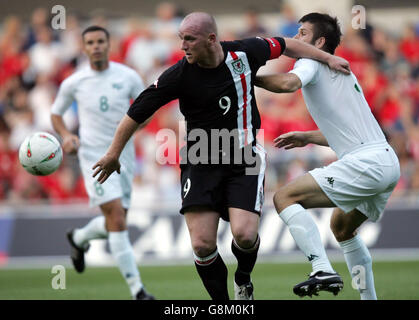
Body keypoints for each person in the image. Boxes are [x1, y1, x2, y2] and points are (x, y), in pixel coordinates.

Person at [92, 12, 350, 300]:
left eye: (189, 39)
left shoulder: (246, 51)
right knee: (202, 244)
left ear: (211, 39)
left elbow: (289, 45)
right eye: (181, 39)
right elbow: (136, 112)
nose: (183, 46)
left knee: (245, 235)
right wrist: (113, 153)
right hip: (201, 158)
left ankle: (243, 279)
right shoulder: (177, 75)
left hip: (244, 158)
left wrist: (327, 59)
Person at [256, 13, 400, 299]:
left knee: (284, 197)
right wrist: (307, 136)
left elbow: (287, 85)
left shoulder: (310, 61)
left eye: (302, 33)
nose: (295, 38)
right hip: (386, 161)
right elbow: (355, 130)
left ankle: (321, 268)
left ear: (319, 42)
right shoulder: (345, 73)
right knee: (341, 228)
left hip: (366, 162)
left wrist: (250, 79)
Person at [50, 26, 154, 300]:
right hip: (93, 156)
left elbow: (147, 107)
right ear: (83, 48)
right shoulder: (74, 81)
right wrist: (66, 135)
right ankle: (138, 291)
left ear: (109, 45)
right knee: (117, 219)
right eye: (90, 43)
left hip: (124, 155)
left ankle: (79, 238)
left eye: (100, 42)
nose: (96, 46)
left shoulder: (128, 75)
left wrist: (136, 126)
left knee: (115, 220)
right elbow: (56, 114)